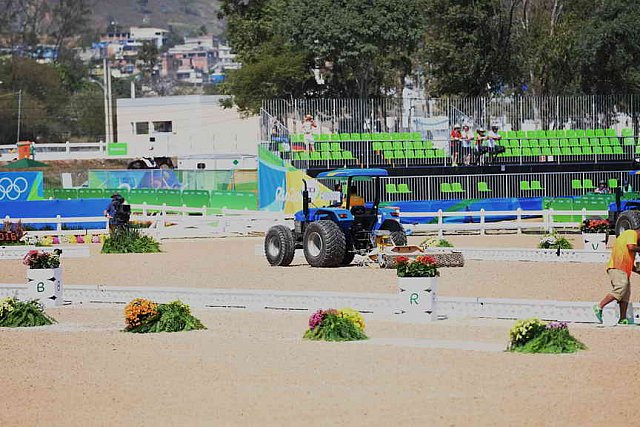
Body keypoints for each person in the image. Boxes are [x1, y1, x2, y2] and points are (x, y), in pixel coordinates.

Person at [593, 229, 640, 324]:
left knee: (625, 293)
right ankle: (599, 306)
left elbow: (629, 261)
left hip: (623, 269)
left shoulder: (631, 238)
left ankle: (622, 318)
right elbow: (631, 247)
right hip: (617, 267)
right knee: (621, 287)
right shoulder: (631, 233)